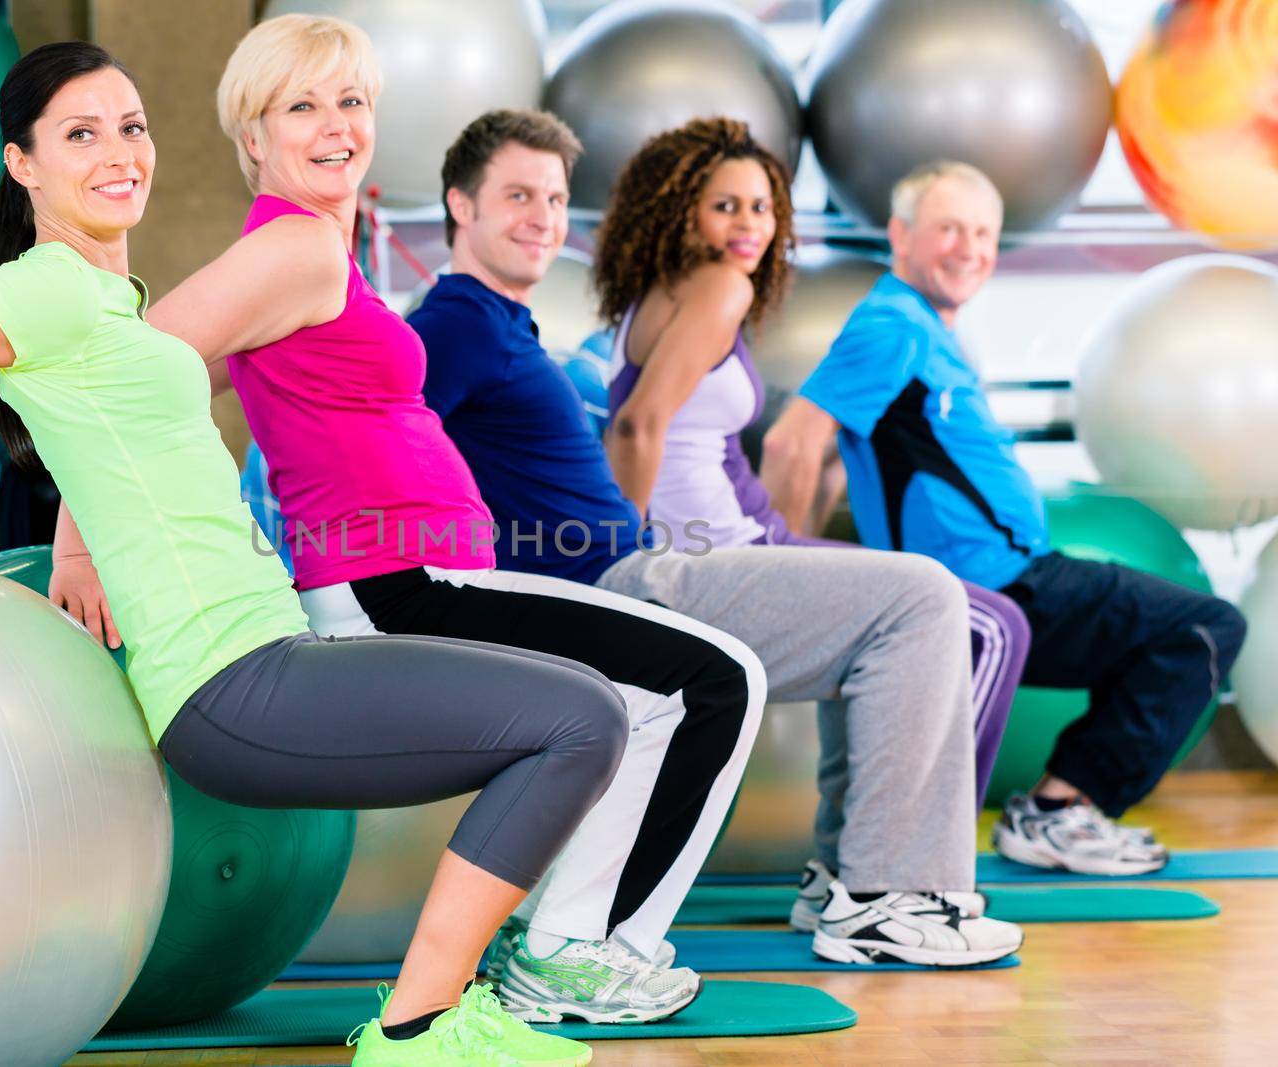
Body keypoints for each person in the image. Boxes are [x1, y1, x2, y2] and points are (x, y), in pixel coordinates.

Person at [0, 41, 626, 1067]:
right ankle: (420, 1026)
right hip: (232, 682)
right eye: (80, 135)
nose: (119, 153)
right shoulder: (49, 290)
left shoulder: (108, 303)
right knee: (579, 717)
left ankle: (436, 1015)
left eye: (132, 127)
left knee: (573, 709)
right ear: (23, 165)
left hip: (267, 651)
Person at [150, 15, 767, 1025]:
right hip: (398, 587)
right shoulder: (296, 246)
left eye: (350, 101)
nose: (337, 124)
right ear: (252, 137)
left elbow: (192, 376)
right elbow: (138, 371)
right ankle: (573, 951)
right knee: (713, 680)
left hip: (424, 580)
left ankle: (570, 940)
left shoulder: (321, 257)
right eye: (301, 105)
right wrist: (87, 536)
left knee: (671, 693)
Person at [410, 110, 1023, 968]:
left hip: (630, 567)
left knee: (905, 609)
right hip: (631, 575)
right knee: (930, 597)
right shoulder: (460, 323)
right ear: (459, 206)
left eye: (553, 197)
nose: (544, 215)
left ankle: (865, 881)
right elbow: (378, 432)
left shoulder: (506, 324)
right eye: (519, 195)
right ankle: (887, 893)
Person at [761, 159, 1248, 876]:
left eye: (983, 232)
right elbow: (792, 440)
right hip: (993, 586)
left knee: (1164, 639)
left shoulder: (926, 329)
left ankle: (1059, 807)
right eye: (948, 228)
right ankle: (1057, 811)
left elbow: (844, 455)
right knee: (1204, 627)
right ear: (900, 234)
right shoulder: (892, 324)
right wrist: (784, 579)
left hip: (1016, 574)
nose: (968, 247)